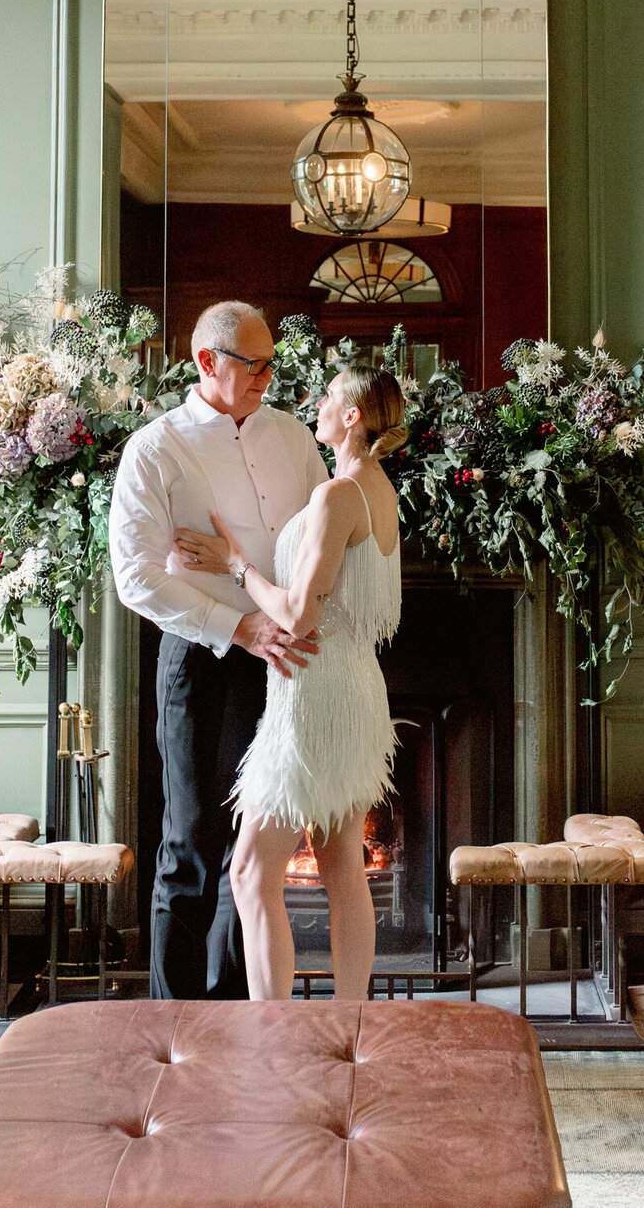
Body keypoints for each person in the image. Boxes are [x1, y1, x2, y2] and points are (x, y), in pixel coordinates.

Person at [108, 301, 327, 999]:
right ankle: (173, 1029)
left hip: (287, 660)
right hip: (202, 661)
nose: (269, 377)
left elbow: (324, 539)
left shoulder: (294, 439)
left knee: (256, 857)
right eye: (255, 364)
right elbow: (135, 578)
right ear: (209, 362)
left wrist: (291, 618)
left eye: (272, 363)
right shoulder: (155, 448)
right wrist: (239, 628)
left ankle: (239, 1016)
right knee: (191, 849)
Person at [178, 363, 404, 1002]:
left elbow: (300, 614)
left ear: (353, 416)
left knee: (251, 872)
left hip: (314, 696)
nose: (319, 404)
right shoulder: (379, 492)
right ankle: (347, 1027)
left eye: (330, 396)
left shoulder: (339, 496)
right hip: (352, 689)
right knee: (341, 870)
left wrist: (235, 564)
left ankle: (272, 1038)